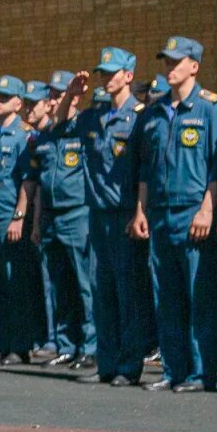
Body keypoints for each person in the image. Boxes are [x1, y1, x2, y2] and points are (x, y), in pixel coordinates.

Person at [129, 36, 217, 393]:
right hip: (159, 213)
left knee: (200, 295)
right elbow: (145, 166)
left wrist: (208, 209)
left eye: (176, 62)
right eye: (166, 62)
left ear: (194, 66)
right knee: (167, 296)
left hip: (193, 213)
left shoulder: (211, 109)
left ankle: (203, 372)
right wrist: (141, 209)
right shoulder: (154, 113)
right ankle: (174, 370)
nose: (169, 68)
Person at [74, 48, 144, 386]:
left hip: (125, 213)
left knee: (126, 291)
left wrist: (139, 212)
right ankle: (107, 362)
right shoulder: (94, 116)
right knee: (102, 291)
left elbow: (144, 169)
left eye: (113, 71)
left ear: (128, 76)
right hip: (98, 213)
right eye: (103, 71)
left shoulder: (139, 116)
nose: (106, 77)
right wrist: (73, 96)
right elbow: (61, 125)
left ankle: (129, 366)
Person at [27, 71, 92, 369]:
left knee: (84, 284)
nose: (51, 100)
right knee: (60, 284)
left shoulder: (81, 126)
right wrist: (37, 221)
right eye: (50, 95)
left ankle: (90, 345)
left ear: (73, 96)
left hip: (77, 212)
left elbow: (67, 116)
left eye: (57, 95)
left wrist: (68, 97)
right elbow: (40, 183)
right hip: (51, 216)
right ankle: (66, 345)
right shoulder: (45, 135)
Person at [0, 76, 36, 365]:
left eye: (5, 96)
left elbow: (28, 181)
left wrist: (19, 216)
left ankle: (20, 345)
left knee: (16, 282)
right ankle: (5, 344)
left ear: (19, 102)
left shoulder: (24, 135)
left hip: (10, 215)